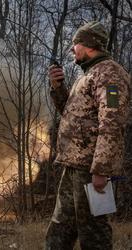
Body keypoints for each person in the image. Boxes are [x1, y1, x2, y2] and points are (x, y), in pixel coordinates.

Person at [45, 21, 131, 250]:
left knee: (93, 233)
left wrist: (101, 170)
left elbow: (112, 123)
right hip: (72, 166)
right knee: (59, 229)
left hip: (90, 169)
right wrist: (57, 87)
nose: (73, 49)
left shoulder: (110, 74)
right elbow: (71, 115)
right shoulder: (88, 75)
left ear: (89, 44)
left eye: (76, 44)